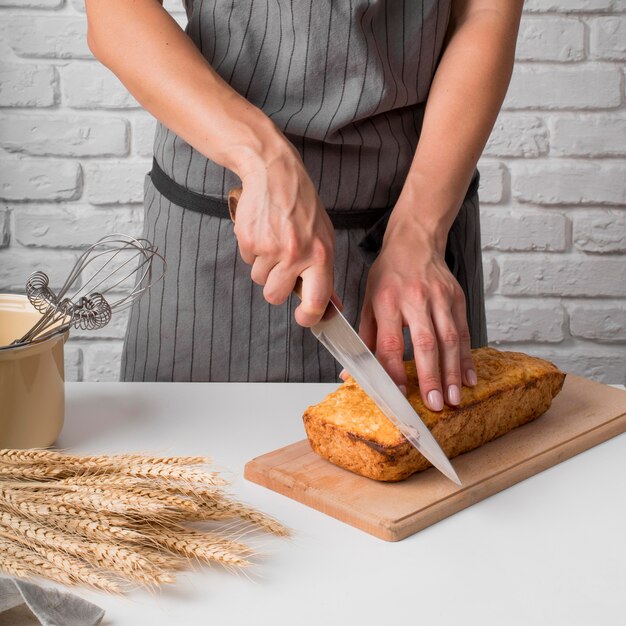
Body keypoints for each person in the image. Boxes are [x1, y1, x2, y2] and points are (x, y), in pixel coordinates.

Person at [86, 0, 523, 411]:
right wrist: (261, 156)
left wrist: (421, 231)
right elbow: (115, 13)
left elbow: (484, 11)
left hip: (419, 235)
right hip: (216, 232)